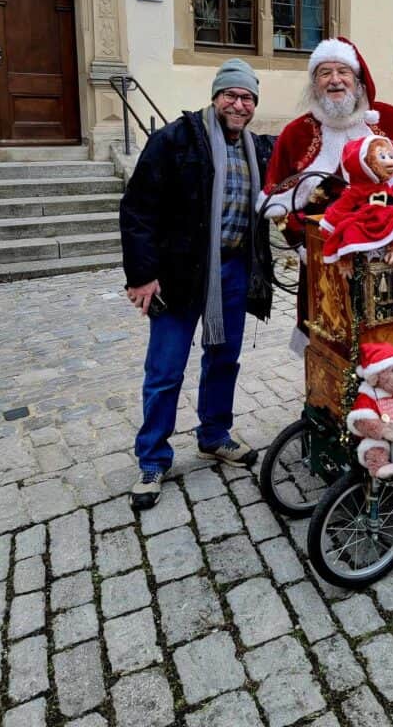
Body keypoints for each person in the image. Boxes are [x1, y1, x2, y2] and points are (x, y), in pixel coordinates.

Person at [120, 58, 273, 509]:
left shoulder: (258, 149)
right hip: (178, 273)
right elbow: (138, 208)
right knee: (165, 370)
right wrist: (143, 275)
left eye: (247, 97)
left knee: (224, 358)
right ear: (215, 96)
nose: (238, 103)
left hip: (232, 270)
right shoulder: (176, 139)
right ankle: (152, 458)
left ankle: (214, 434)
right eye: (231, 94)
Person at [258, 37, 393, 345]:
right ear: (314, 83)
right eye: (325, 73)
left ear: (358, 81)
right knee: (333, 343)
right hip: (330, 260)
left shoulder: (388, 119)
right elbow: (276, 205)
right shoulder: (296, 134)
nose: (335, 80)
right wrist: (305, 245)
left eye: (343, 72)